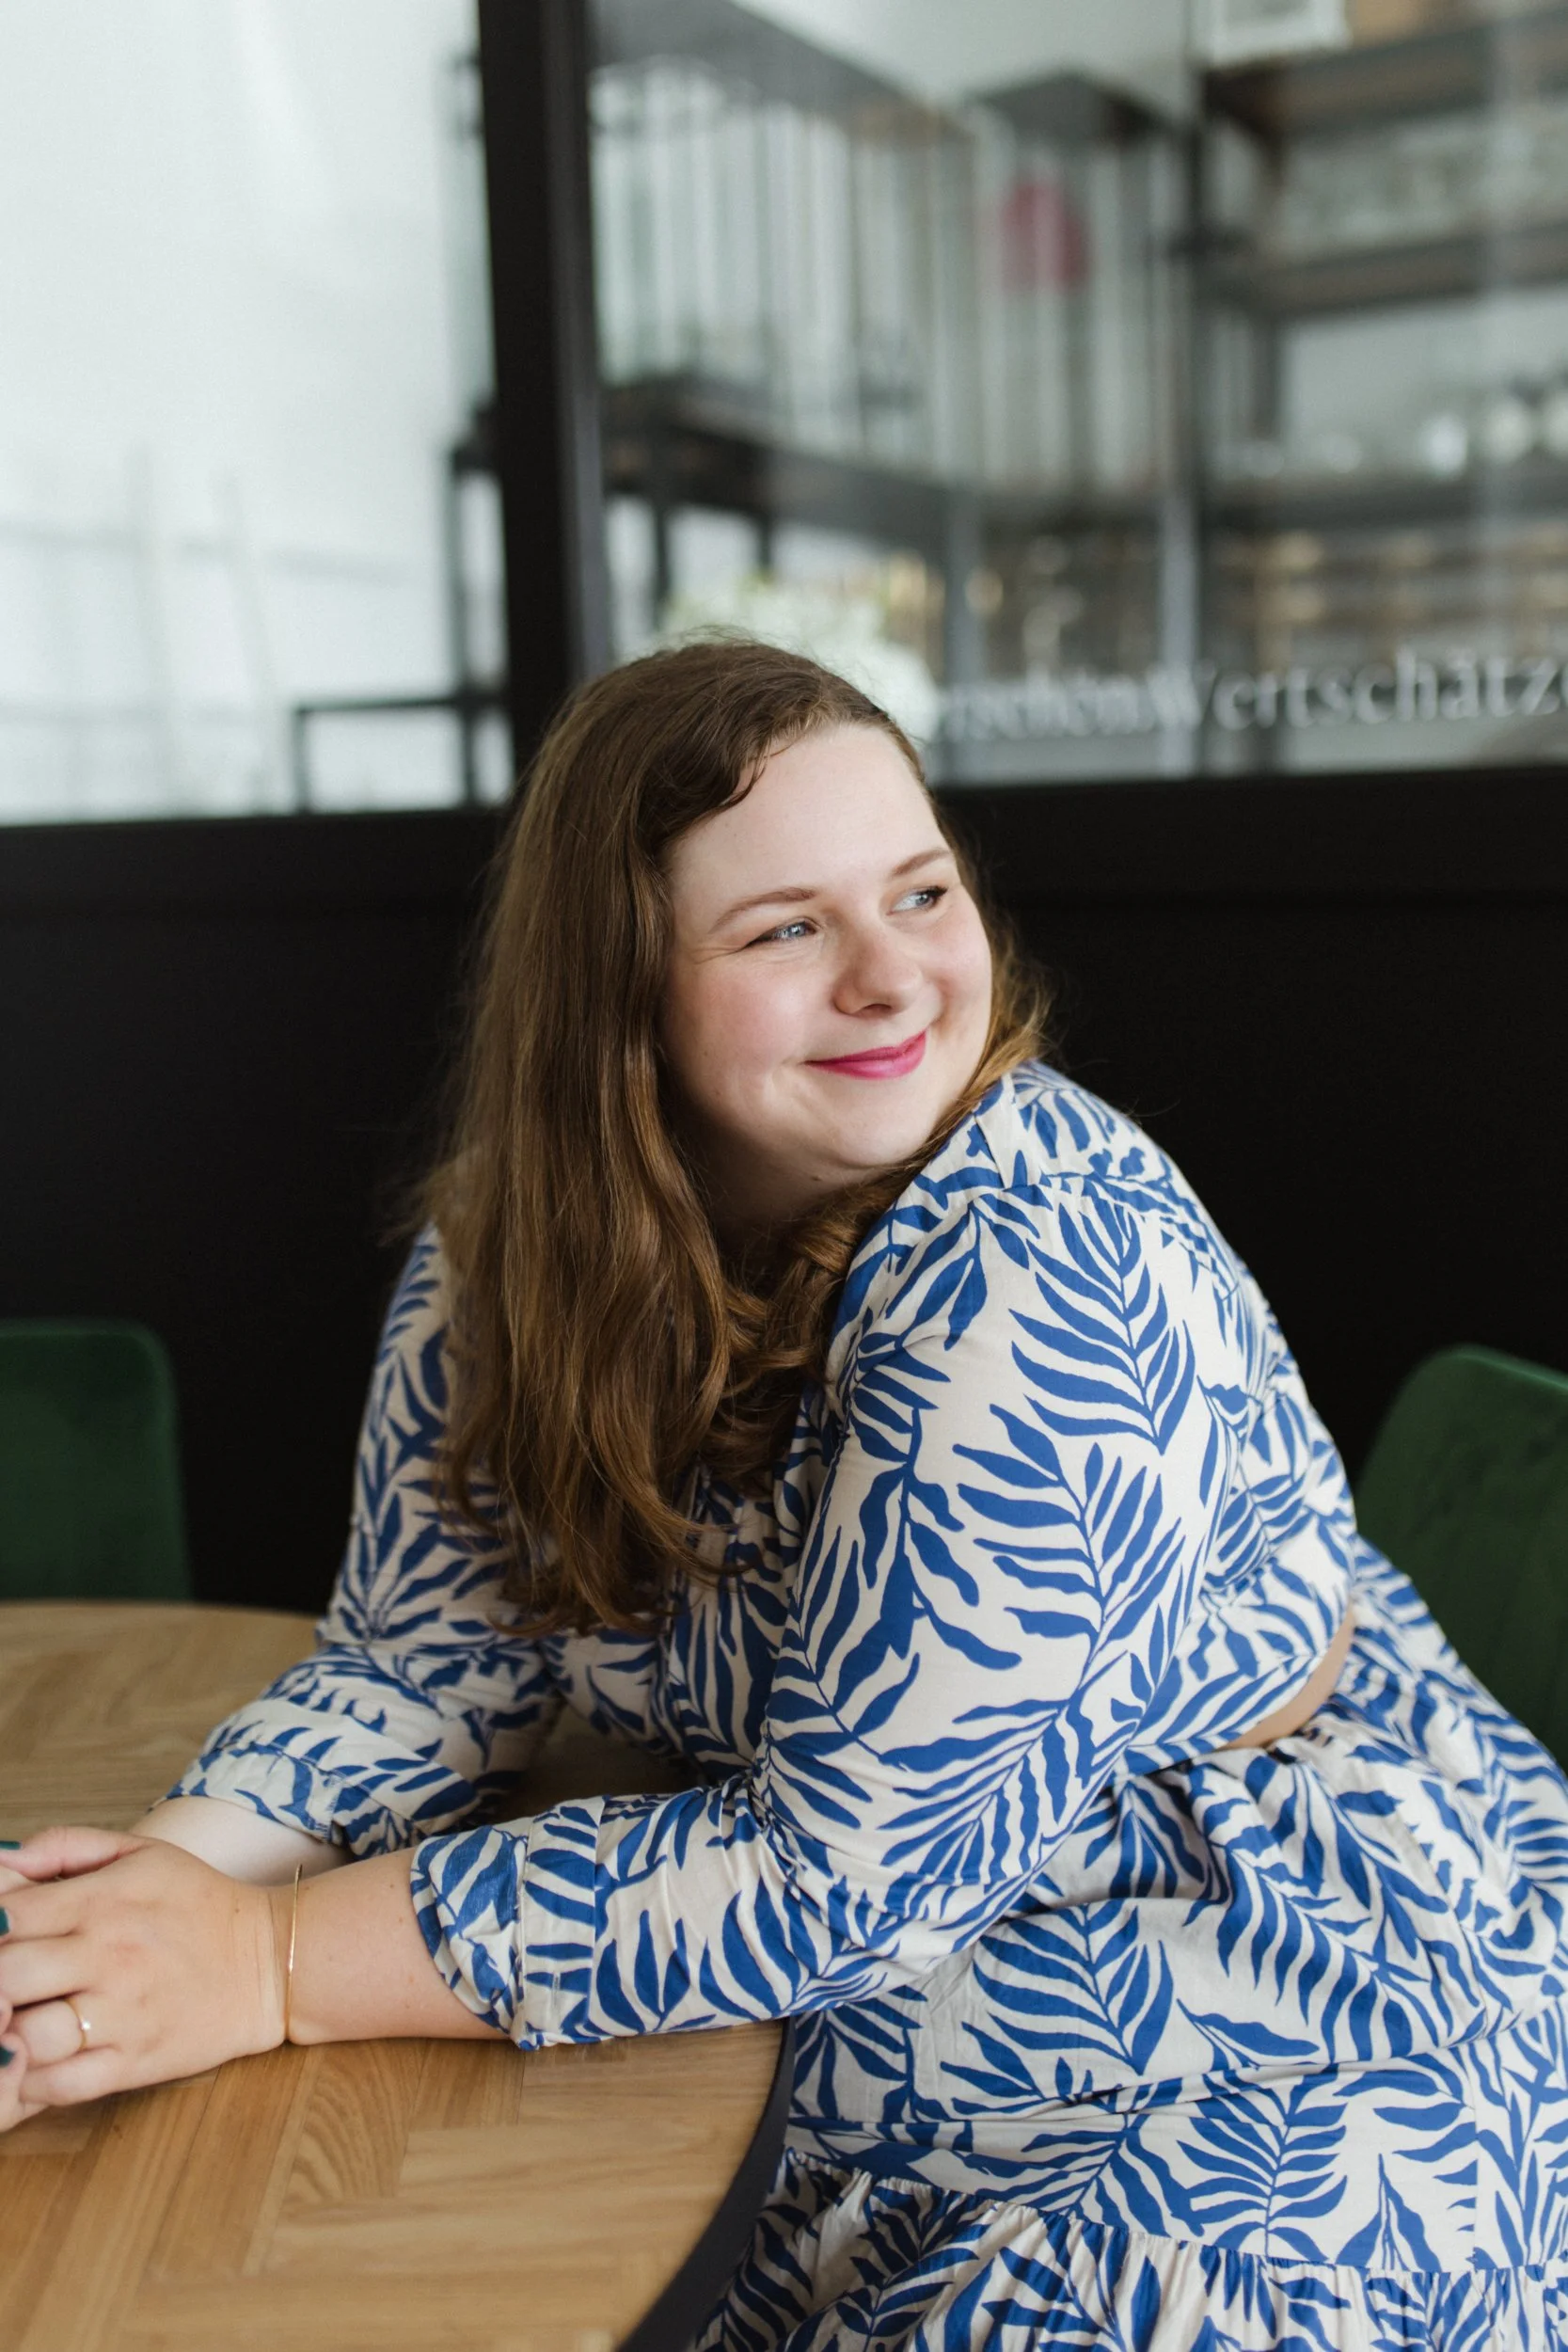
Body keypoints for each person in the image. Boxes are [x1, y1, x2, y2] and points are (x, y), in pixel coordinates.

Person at [2, 640, 1567, 2349]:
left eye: (920, 891)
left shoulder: (1036, 1247)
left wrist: (271, 1968)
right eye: (785, 928)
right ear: (619, 996)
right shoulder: (505, 1250)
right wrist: (126, 1915)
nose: (895, 980)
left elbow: (837, 1875)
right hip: (822, 1975)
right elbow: (430, 1661)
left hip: (1246, 1964)